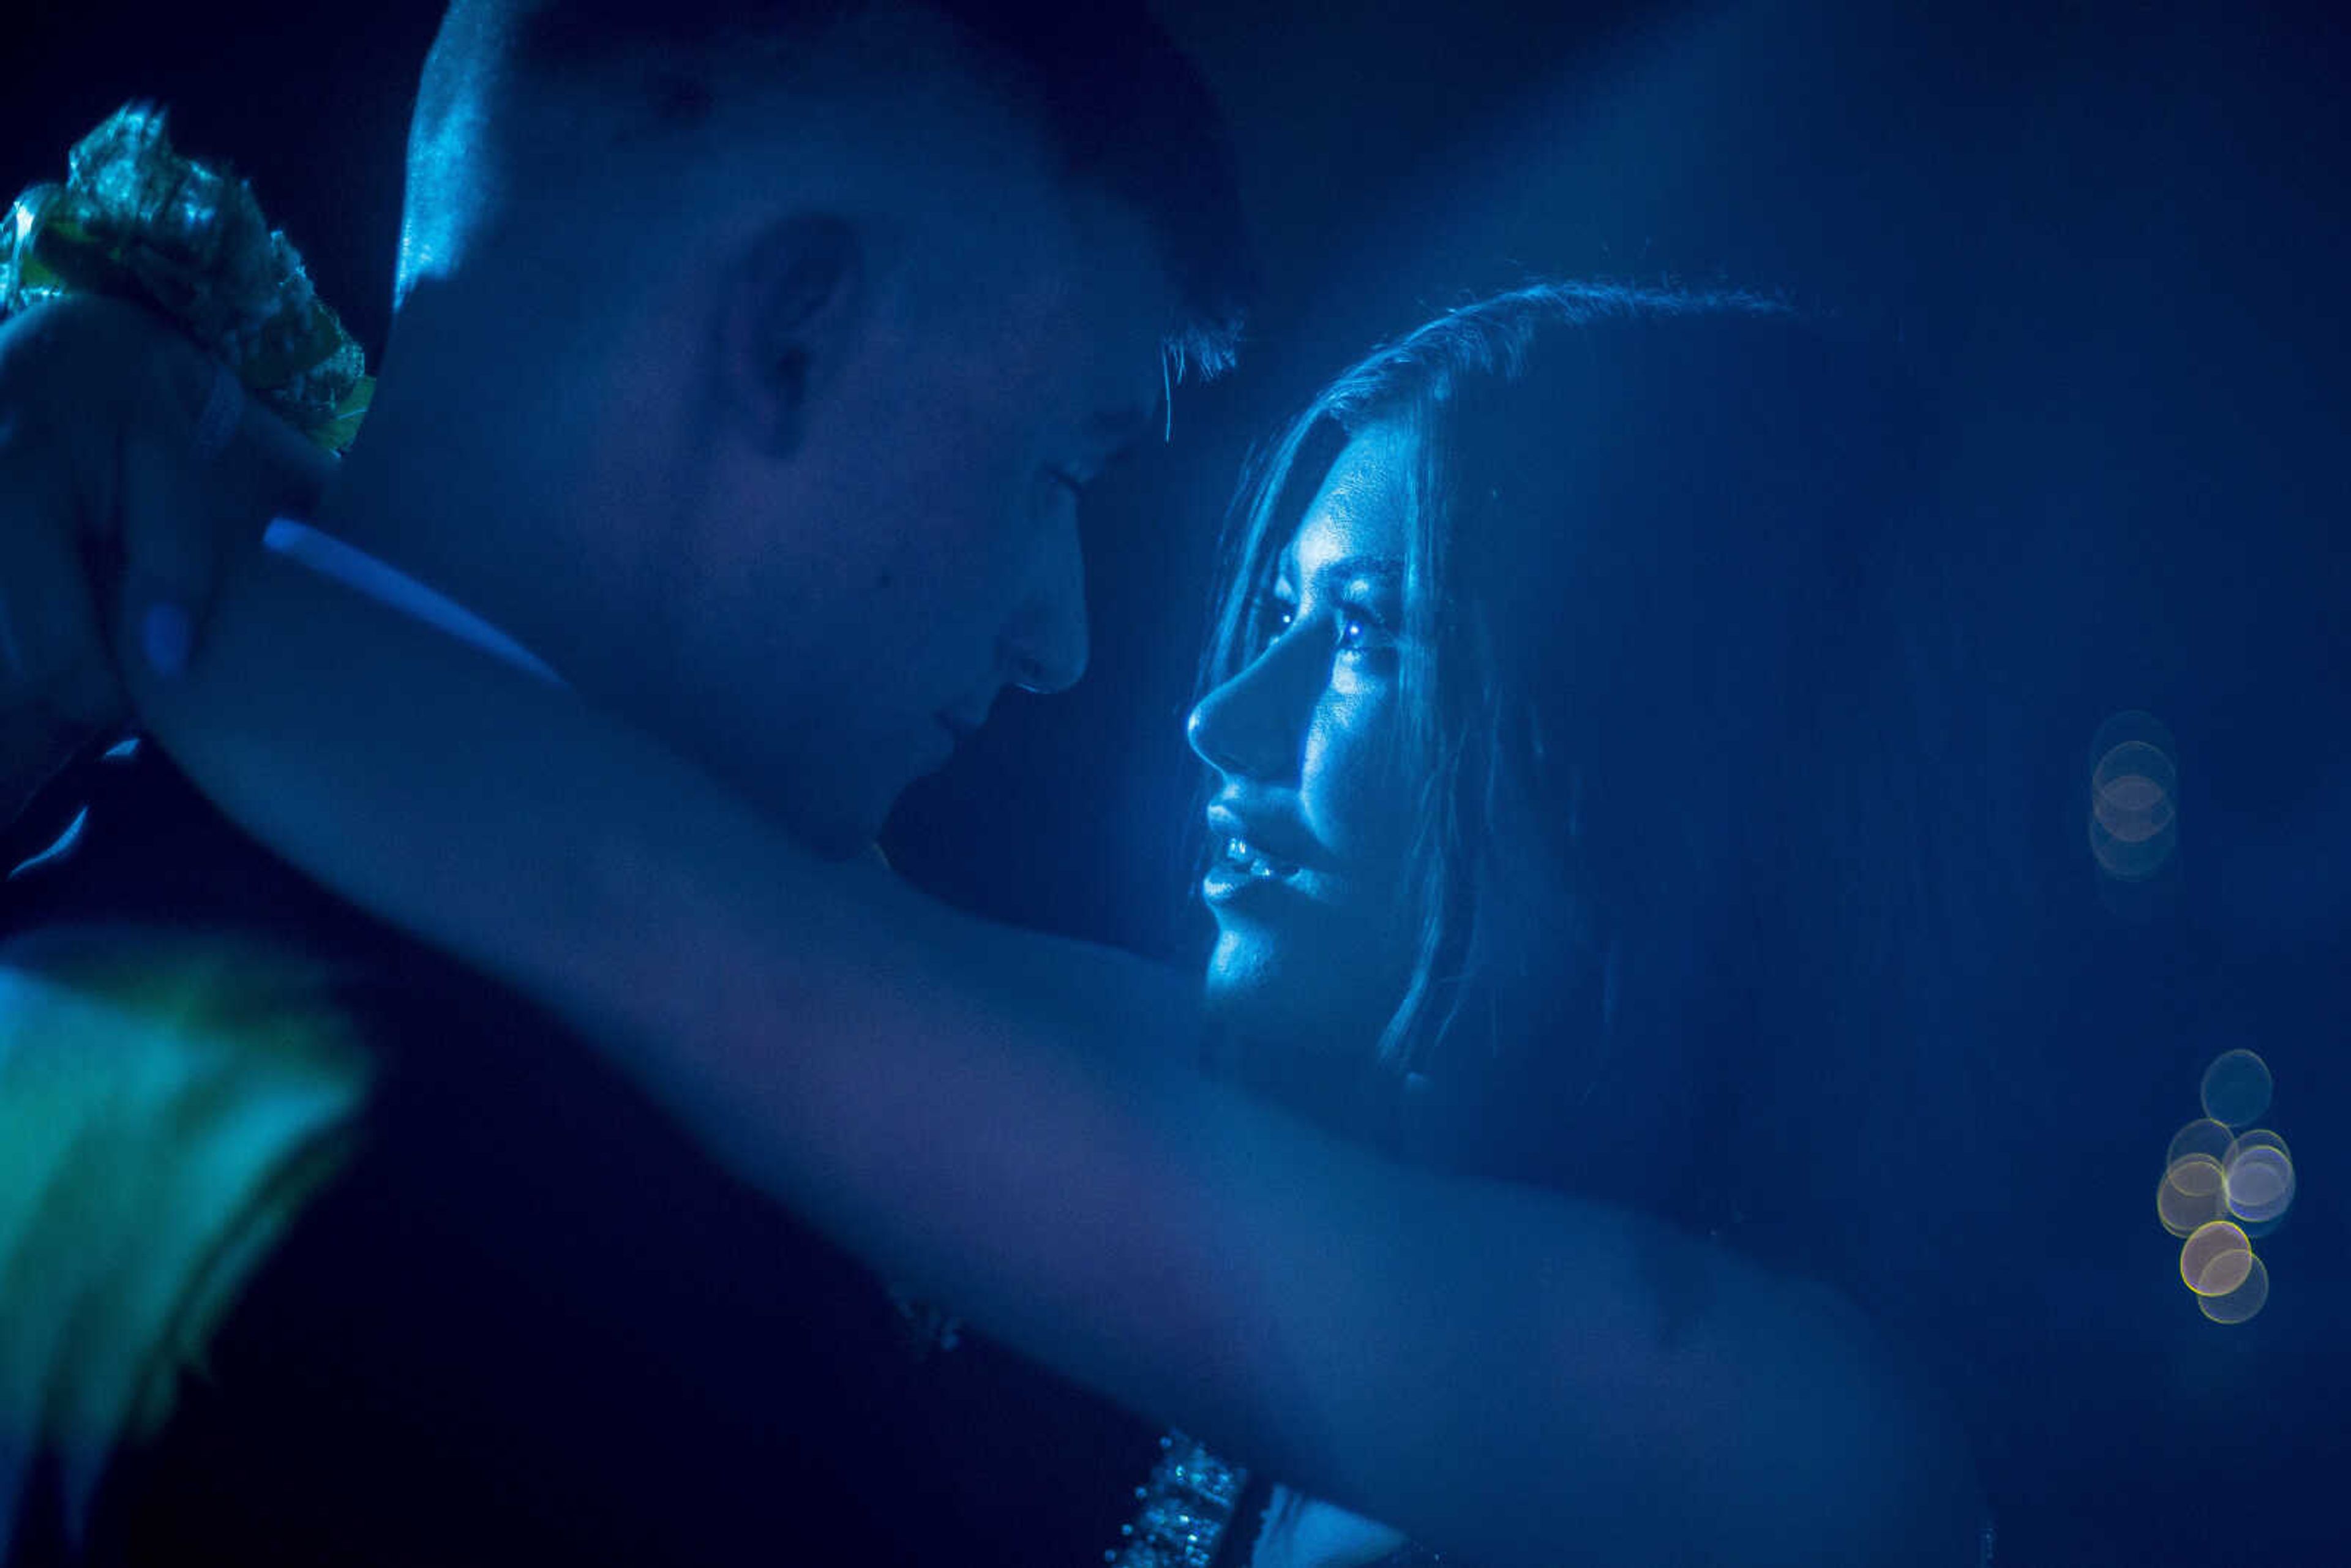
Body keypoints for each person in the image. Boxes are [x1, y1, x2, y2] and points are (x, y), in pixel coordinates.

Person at [0, 40, 1985, 1568]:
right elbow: (666, 856)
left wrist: (158, 502)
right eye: (1271, 614)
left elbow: (693, 934)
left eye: (1366, 635)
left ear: (1658, 742)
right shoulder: (1205, 1104)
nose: (1219, 720)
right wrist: (131, 370)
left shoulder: (1805, 1436)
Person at [0, 2, 1253, 1562]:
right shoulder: (651, 1301)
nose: (1058, 636)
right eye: (1058, 471)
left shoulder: (50, 860)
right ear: (791, 336)